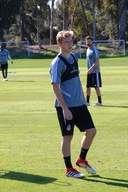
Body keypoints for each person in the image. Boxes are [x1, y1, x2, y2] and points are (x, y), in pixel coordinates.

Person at [50, 30, 97, 178]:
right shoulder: (57, 62)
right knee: (67, 137)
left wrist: (83, 100)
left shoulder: (75, 57)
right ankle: (69, 169)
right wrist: (65, 109)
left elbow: (76, 80)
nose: (70, 44)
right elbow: (55, 86)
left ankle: (81, 159)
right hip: (66, 107)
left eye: (71, 41)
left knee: (91, 132)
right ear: (59, 44)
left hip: (79, 104)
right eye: (66, 42)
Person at [85, 36, 102, 106]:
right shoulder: (88, 50)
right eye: (87, 41)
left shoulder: (94, 49)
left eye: (89, 41)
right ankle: (87, 102)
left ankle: (100, 102)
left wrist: (91, 68)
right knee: (88, 86)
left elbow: (97, 61)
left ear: (92, 41)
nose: (88, 42)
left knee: (96, 86)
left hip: (95, 71)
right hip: (89, 71)